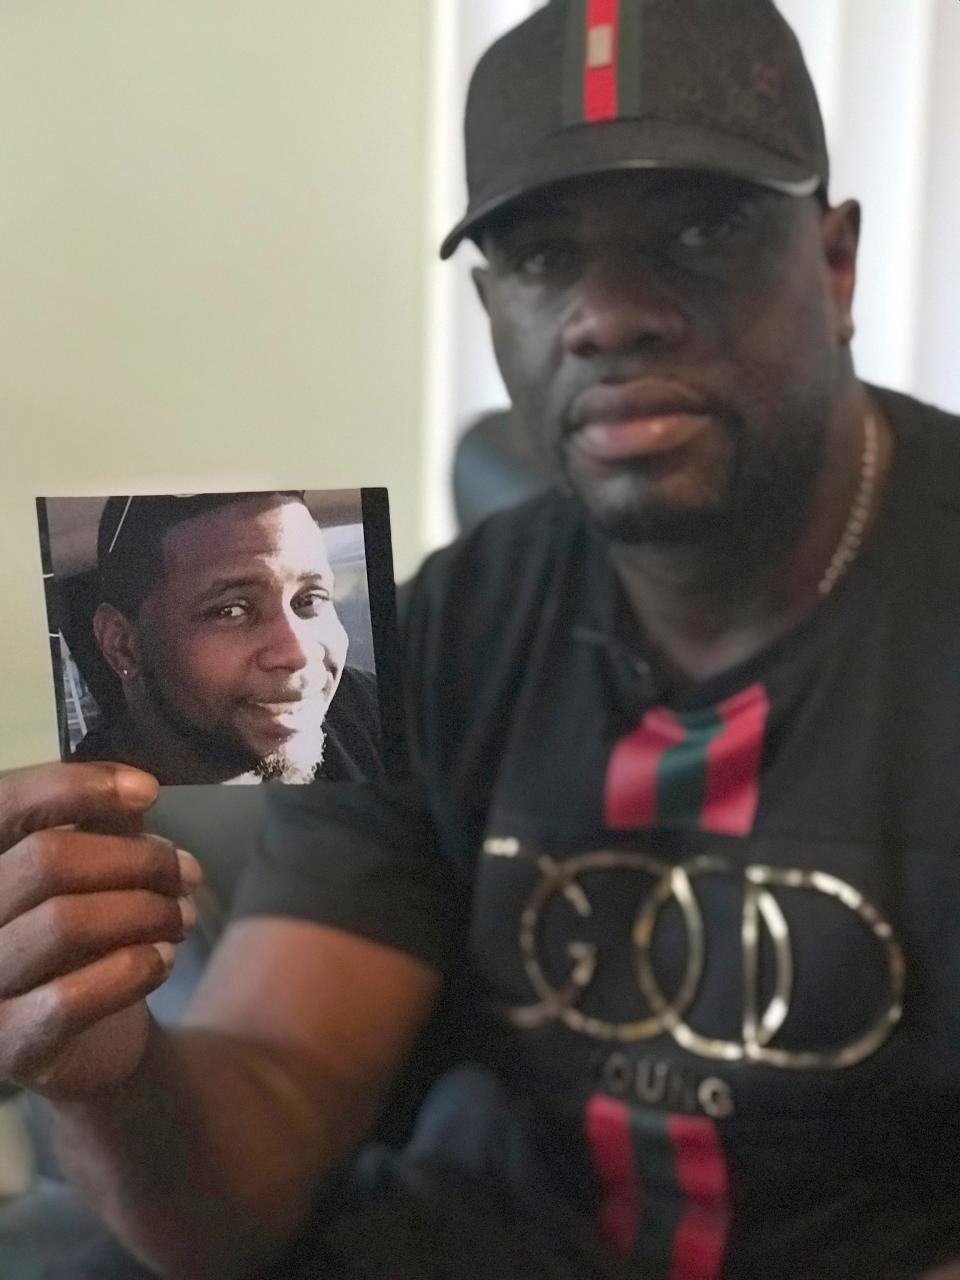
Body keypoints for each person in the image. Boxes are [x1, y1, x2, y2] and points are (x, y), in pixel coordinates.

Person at [2, 0, 960, 1276]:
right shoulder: (451, 626)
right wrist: (105, 1066)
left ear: (835, 264)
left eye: (702, 228)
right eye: (543, 254)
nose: (609, 314)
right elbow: (245, 1168)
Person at [71, 491, 384, 784]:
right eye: (231, 611)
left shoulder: (370, 712)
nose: (298, 652)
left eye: (310, 600)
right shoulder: (71, 821)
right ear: (122, 646)